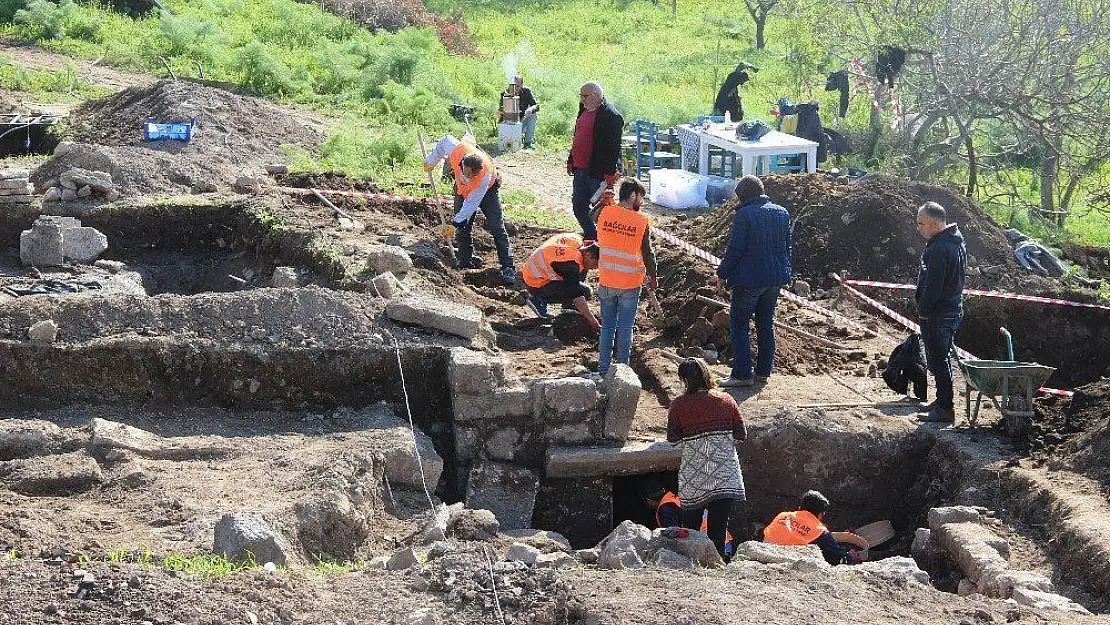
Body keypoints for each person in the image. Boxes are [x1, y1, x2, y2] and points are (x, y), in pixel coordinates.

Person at [715, 175, 792, 387]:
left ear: (742, 197)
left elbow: (735, 250)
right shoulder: (781, 212)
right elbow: (787, 248)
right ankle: (763, 372)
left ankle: (741, 374)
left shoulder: (745, 215)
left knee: (739, 324)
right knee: (765, 323)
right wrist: (785, 272)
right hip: (774, 279)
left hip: (749, 280)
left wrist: (721, 273)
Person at [667, 358, 747, 560]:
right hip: (724, 475)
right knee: (718, 529)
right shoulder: (726, 400)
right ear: (707, 374)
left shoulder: (678, 405)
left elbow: (673, 439)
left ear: (684, 379)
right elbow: (741, 434)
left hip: (695, 478)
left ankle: (691, 564)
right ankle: (718, 566)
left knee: (691, 530)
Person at [423, 134, 515, 283]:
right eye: (465, 172)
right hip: (462, 190)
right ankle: (465, 262)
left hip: (488, 192)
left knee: (497, 227)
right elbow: (444, 141)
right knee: (463, 231)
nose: (467, 175)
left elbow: (470, 205)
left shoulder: (483, 178)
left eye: (470, 175)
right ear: (463, 164)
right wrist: (432, 160)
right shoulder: (457, 150)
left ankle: (508, 267)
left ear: (478, 171)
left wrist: (455, 223)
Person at [593, 177, 658, 377]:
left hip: (606, 280)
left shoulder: (605, 212)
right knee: (625, 328)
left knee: (607, 328)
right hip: (629, 283)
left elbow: (592, 215)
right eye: (641, 197)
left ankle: (603, 369)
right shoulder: (641, 221)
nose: (642, 202)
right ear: (632, 196)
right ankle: (622, 372)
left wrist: (603, 202)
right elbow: (647, 252)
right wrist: (654, 275)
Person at [914, 201, 967, 423]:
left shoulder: (939, 248)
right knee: (939, 359)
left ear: (935, 223)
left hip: (939, 313)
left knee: (938, 360)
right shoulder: (953, 241)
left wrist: (923, 309)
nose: (918, 228)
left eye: (921, 223)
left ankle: (945, 408)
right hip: (949, 310)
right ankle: (942, 401)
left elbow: (934, 286)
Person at [567, 81, 624, 240]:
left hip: (598, 172)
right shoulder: (583, 110)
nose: (582, 100)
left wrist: (610, 173)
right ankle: (593, 238)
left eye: (584, 96)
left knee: (603, 212)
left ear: (596, 95)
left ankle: (610, 241)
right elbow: (577, 137)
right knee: (579, 208)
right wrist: (571, 158)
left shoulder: (611, 116)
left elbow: (614, 147)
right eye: (581, 96)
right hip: (580, 170)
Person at [521, 232, 601, 329]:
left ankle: (568, 307)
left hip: (534, 269)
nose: (595, 268)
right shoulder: (570, 264)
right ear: (588, 255)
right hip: (535, 282)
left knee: (582, 270)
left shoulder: (576, 240)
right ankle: (538, 300)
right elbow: (577, 294)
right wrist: (592, 320)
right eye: (595, 265)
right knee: (585, 292)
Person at [763, 490, 862, 566]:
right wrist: (851, 557)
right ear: (820, 514)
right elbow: (838, 555)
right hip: (789, 561)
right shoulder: (819, 530)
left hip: (766, 551)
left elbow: (794, 532)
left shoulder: (783, 515)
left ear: (800, 507)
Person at [642, 485, 736, 557]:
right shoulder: (675, 498)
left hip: (709, 545)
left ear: (649, 500)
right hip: (724, 542)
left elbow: (673, 534)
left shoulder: (666, 508)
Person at [497, 75, 539, 149]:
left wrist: (530, 109)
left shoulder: (527, 91)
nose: (515, 88)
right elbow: (500, 111)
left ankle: (527, 143)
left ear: (522, 85)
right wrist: (500, 113)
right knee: (510, 141)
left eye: (517, 86)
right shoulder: (504, 94)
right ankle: (515, 138)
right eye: (513, 86)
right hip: (509, 124)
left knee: (533, 115)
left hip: (521, 121)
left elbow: (536, 106)